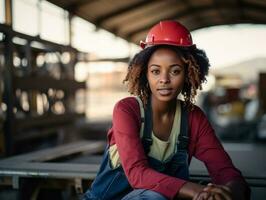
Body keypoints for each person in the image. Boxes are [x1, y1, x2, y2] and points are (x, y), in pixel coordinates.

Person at [82, 20, 250, 200]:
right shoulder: (127, 110)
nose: (164, 79)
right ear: (145, 74)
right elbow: (138, 174)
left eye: (175, 71)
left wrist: (231, 191)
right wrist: (196, 191)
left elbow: (225, 171)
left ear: (188, 74)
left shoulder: (193, 118)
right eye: (155, 71)